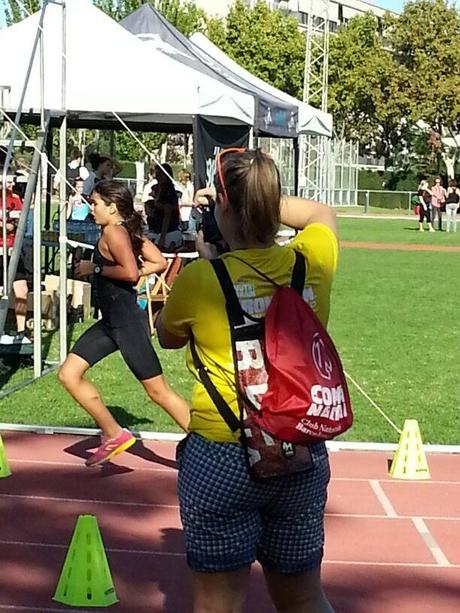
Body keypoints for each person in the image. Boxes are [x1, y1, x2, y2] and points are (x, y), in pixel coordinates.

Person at [156, 149, 337, 613]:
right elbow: (320, 213)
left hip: (222, 451)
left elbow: (168, 337)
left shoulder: (200, 279)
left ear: (221, 207)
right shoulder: (312, 259)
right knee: (303, 598)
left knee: (218, 606)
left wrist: (210, 258)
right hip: (299, 445)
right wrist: (262, 199)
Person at [58, 180, 190, 467]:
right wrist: (128, 267)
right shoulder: (125, 232)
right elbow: (158, 262)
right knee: (69, 375)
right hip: (111, 322)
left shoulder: (114, 233)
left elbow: (130, 274)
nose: (91, 208)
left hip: (127, 323)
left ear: (112, 206)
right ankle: (114, 432)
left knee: (158, 391)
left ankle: (212, 446)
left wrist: (93, 268)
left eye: (95, 203)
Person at [0, 175, 31, 343]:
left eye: (12, 180)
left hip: (13, 250)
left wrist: (9, 225)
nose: (11, 183)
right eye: (8, 180)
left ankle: (21, 331)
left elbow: (19, 223)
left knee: (21, 290)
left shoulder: (16, 199)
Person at [145, 164, 182, 251]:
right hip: (156, 229)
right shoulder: (157, 190)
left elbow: (167, 214)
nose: (156, 178)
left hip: (168, 232)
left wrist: (162, 236)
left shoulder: (168, 192)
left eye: (159, 175)